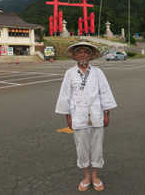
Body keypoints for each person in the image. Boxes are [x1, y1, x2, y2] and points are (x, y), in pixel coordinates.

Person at [55, 42, 117, 191]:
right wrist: (67, 116)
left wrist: (106, 112)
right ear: (75, 56)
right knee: (81, 148)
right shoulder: (69, 73)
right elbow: (65, 96)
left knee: (97, 147)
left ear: (90, 55)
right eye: (79, 52)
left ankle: (95, 175)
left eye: (85, 52)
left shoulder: (97, 72)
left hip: (96, 114)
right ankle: (86, 176)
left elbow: (105, 92)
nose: (82, 55)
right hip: (78, 115)